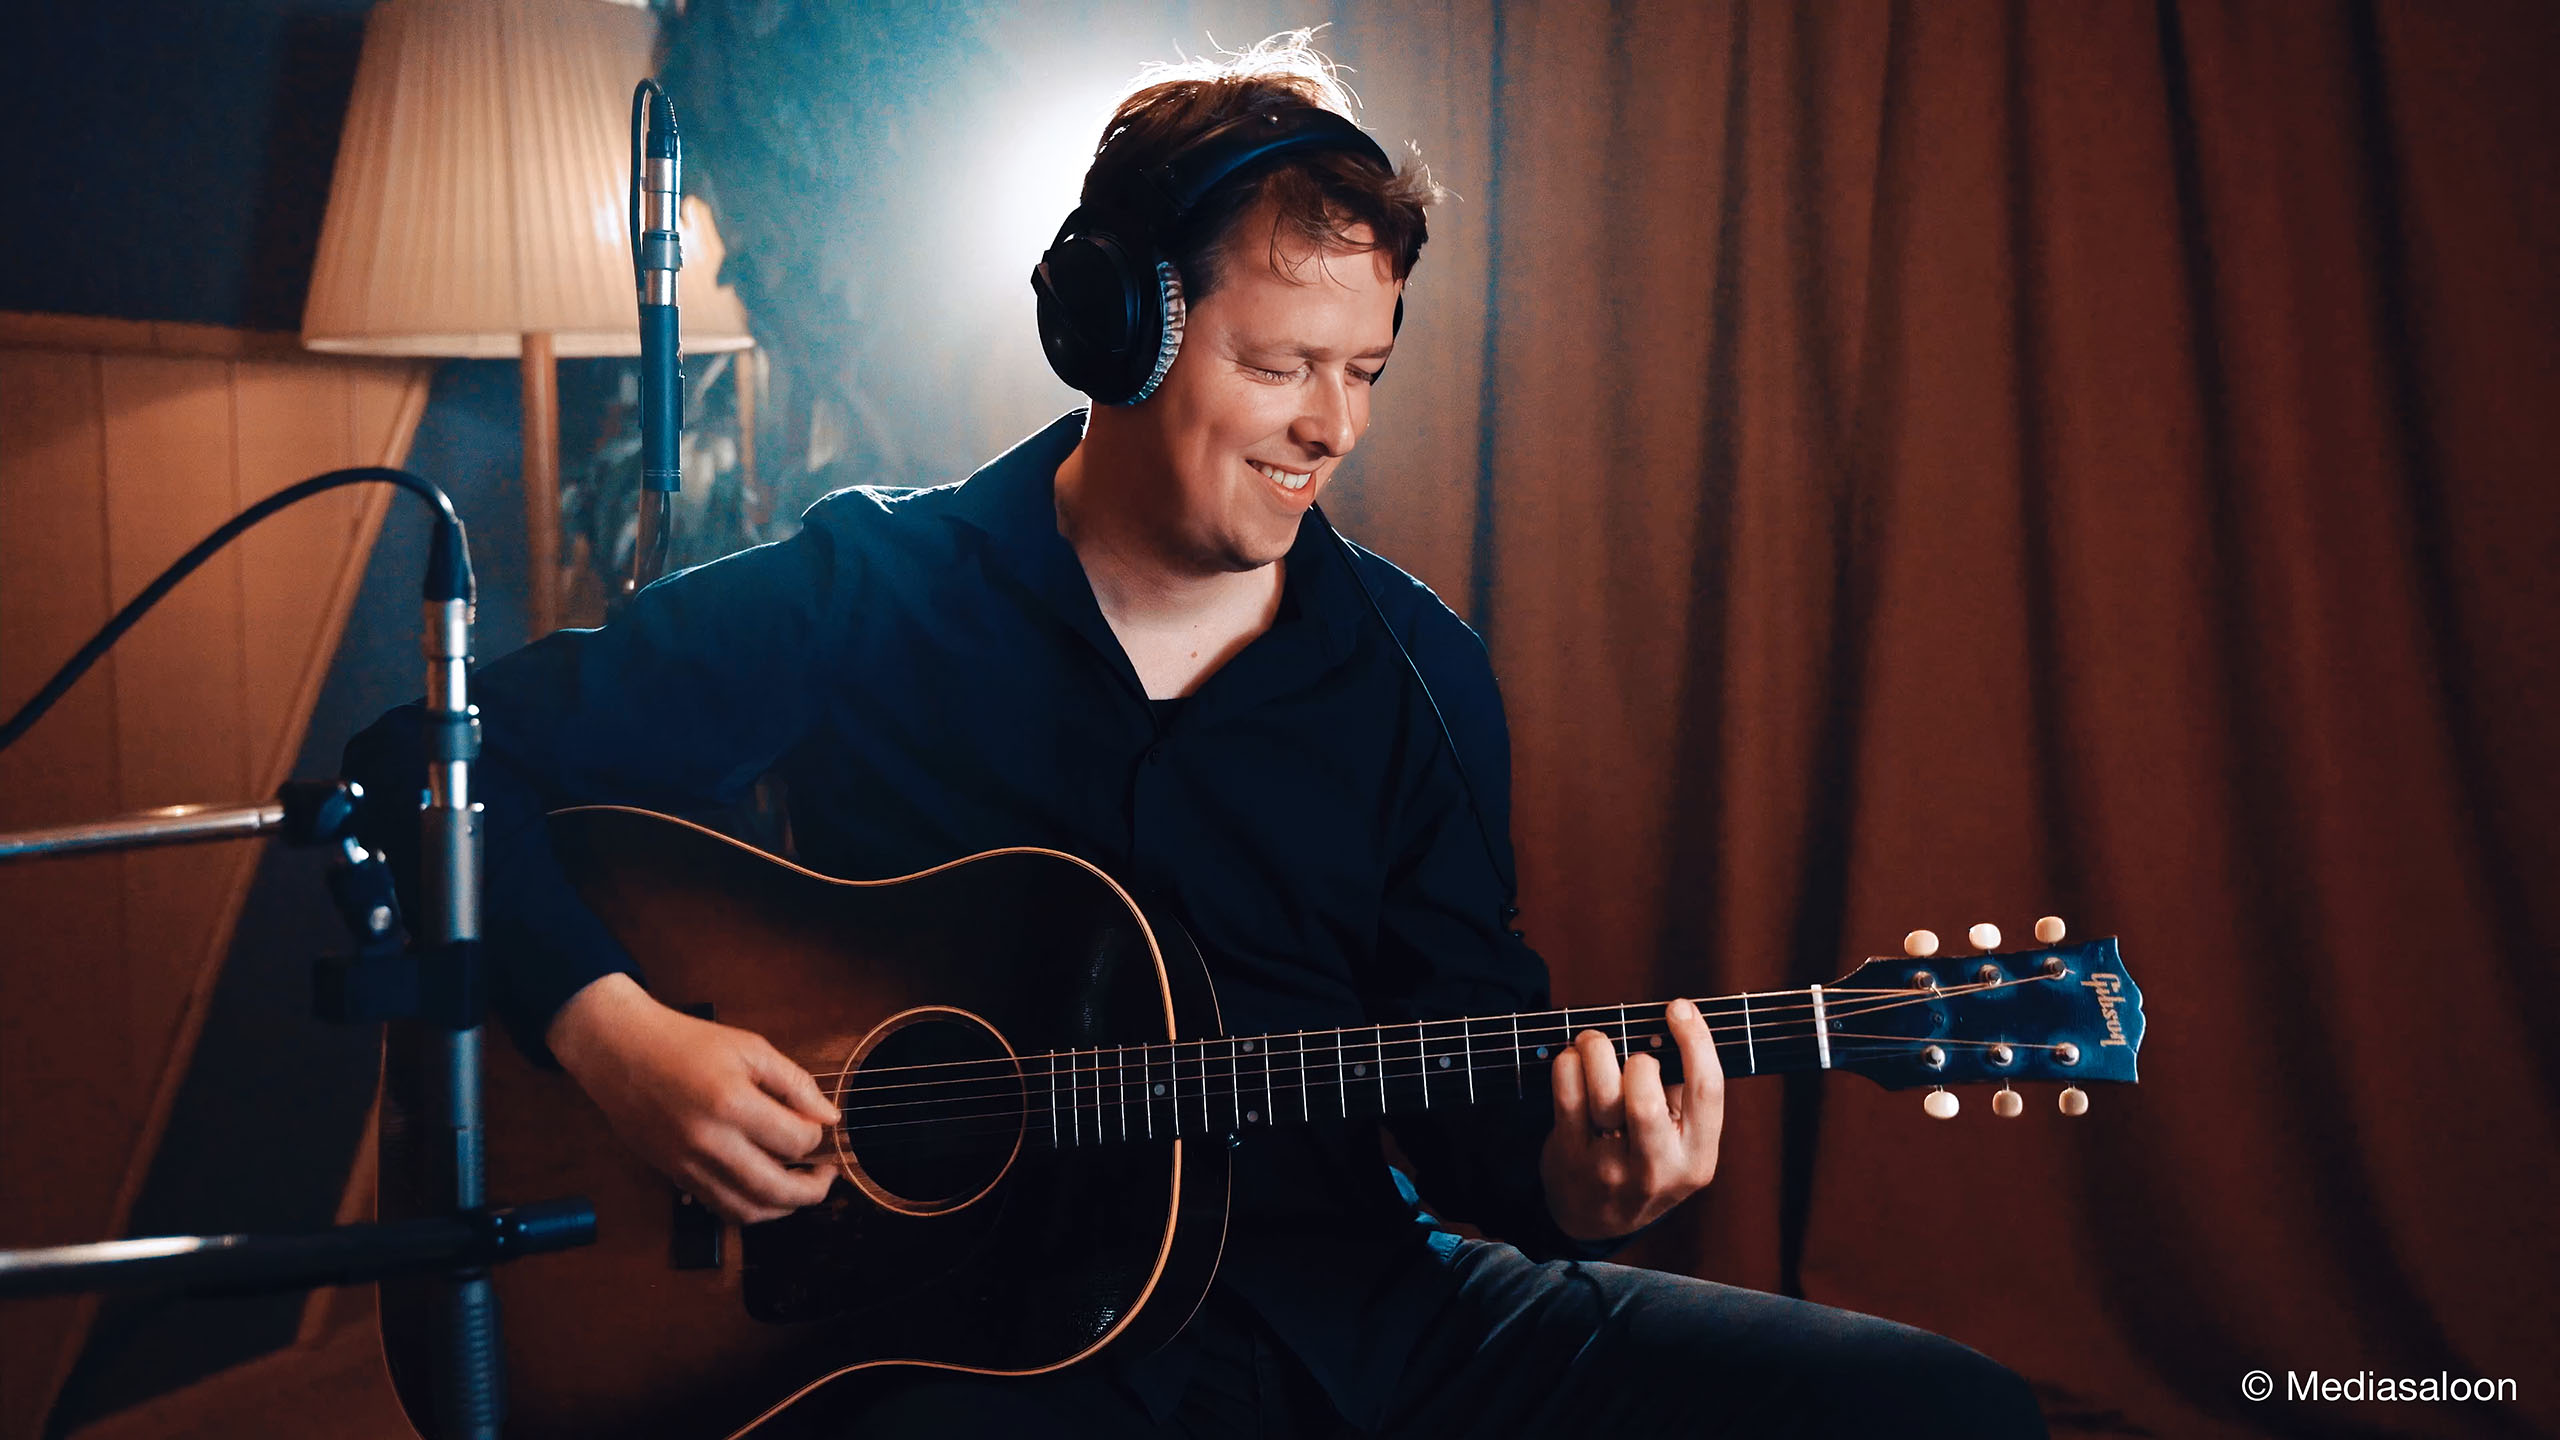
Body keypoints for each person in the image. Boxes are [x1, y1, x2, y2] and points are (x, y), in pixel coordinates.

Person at [346, 32, 2045, 1440]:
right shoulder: (876, 590)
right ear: (1118, 327)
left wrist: (1581, 1184)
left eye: (1366, 370)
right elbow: (424, 760)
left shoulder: (1417, 676)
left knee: (1939, 1411)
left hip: (1358, 1317)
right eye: (1285, 363)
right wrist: (619, 1037)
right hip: (961, 1341)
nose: (1334, 427)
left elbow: (1464, 1069)